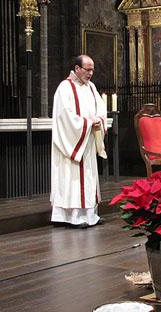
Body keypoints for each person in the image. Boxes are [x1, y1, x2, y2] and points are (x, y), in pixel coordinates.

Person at [50, 55, 107, 228]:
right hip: (72, 142)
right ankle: (71, 216)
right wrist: (87, 122)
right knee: (72, 178)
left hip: (87, 140)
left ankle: (90, 215)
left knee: (88, 177)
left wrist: (98, 119)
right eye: (87, 69)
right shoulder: (65, 88)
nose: (90, 73)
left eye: (92, 70)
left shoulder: (91, 87)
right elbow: (64, 117)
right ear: (76, 68)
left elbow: (101, 108)